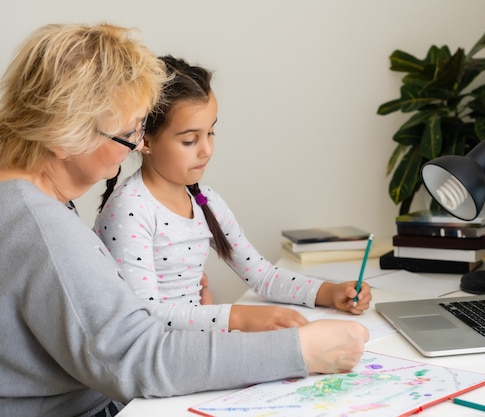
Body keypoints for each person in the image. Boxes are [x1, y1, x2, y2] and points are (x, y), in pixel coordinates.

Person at [0, 23, 368, 416]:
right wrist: (299, 350)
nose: (136, 145)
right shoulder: (42, 227)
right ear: (63, 135)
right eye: (128, 134)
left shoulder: (25, 199)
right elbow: (137, 358)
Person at [94, 56, 372, 332]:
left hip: (192, 347)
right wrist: (238, 318)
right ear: (146, 140)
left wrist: (330, 293)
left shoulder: (205, 201)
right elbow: (145, 314)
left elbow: (261, 275)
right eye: (189, 140)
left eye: (211, 133)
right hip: (160, 357)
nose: (206, 150)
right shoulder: (130, 210)